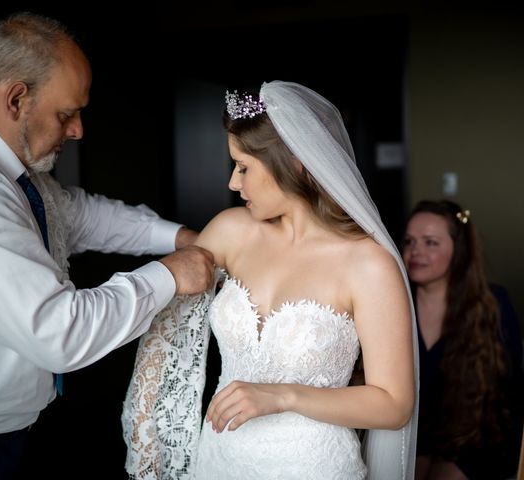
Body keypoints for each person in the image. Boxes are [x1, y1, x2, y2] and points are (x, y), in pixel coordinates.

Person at [0, 12, 215, 479]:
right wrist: (168, 275)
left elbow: (77, 214)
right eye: (67, 113)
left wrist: (182, 237)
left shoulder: (4, 169)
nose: (78, 129)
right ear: (16, 98)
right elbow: (59, 332)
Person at [122, 80, 420, 479]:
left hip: (312, 466)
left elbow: (394, 404)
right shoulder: (231, 232)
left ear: (295, 162)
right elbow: (164, 330)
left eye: (243, 167)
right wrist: (148, 443)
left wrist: (283, 396)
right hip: (219, 459)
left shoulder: (368, 265)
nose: (232, 182)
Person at [402, 199, 524, 480]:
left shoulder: (493, 304)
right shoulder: (394, 304)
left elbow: (510, 395)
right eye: (409, 241)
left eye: (430, 242)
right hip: (415, 437)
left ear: (459, 251)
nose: (415, 251)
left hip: (475, 438)